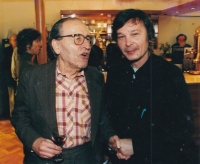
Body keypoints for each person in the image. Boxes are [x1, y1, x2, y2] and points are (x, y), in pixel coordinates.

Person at [101, 9, 196, 163]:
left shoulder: (170, 74)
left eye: (135, 34)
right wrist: (111, 137)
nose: (128, 43)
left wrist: (136, 145)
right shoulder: (116, 71)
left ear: (150, 36)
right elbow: (106, 114)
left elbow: (183, 130)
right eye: (121, 36)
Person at [11, 17, 105, 164]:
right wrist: (34, 141)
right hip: (44, 160)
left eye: (88, 38)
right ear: (56, 46)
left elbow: (103, 118)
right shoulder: (32, 77)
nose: (87, 45)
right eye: (78, 38)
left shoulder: (95, 77)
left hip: (87, 157)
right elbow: (20, 116)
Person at [2, 34, 17, 116]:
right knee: (11, 98)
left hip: (18, 77)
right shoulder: (6, 50)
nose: (15, 42)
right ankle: (12, 114)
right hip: (9, 77)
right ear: (10, 41)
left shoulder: (19, 50)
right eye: (13, 40)